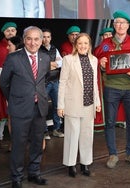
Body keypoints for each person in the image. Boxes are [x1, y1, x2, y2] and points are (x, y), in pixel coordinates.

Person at [94, 10, 130, 169]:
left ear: (128, 25)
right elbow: (96, 59)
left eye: (123, 23)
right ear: (113, 25)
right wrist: (101, 61)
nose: (119, 25)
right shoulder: (105, 44)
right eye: (117, 22)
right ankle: (112, 154)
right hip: (111, 88)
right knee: (110, 122)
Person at [0, 26, 50, 187]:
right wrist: (15, 99)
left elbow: (44, 79)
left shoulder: (45, 58)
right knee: (19, 145)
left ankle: (34, 173)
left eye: (36, 39)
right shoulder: (14, 58)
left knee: (37, 143)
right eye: (29, 38)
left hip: (39, 108)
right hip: (20, 109)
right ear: (24, 39)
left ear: (41, 41)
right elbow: (4, 83)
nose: (33, 42)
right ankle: (17, 177)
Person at [57, 33, 101, 177]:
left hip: (89, 104)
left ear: (89, 45)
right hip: (72, 103)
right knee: (72, 134)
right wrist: (60, 105)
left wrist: (98, 102)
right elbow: (62, 83)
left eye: (86, 43)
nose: (83, 46)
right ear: (75, 45)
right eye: (80, 43)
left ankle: (85, 163)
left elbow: (95, 83)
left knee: (87, 135)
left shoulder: (94, 60)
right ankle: (70, 165)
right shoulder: (68, 60)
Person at [0, 22, 17, 149]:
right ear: (3, 32)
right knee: (3, 110)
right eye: (8, 30)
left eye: (13, 30)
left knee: (14, 114)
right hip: (4, 85)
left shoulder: (21, 47)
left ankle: (15, 140)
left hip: (18, 86)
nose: (11, 32)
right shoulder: (0, 48)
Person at [40, 28, 64, 140]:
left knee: (57, 105)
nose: (46, 39)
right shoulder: (38, 49)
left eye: (48, 37)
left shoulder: (54, 49)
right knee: (43, 107)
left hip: (55, 81)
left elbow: (61, 62)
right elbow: (40, 65)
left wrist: (51, 64)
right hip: (43, 82)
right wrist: (50, 64)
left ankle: (56, 129)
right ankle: (44, 131)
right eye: (43, 37)